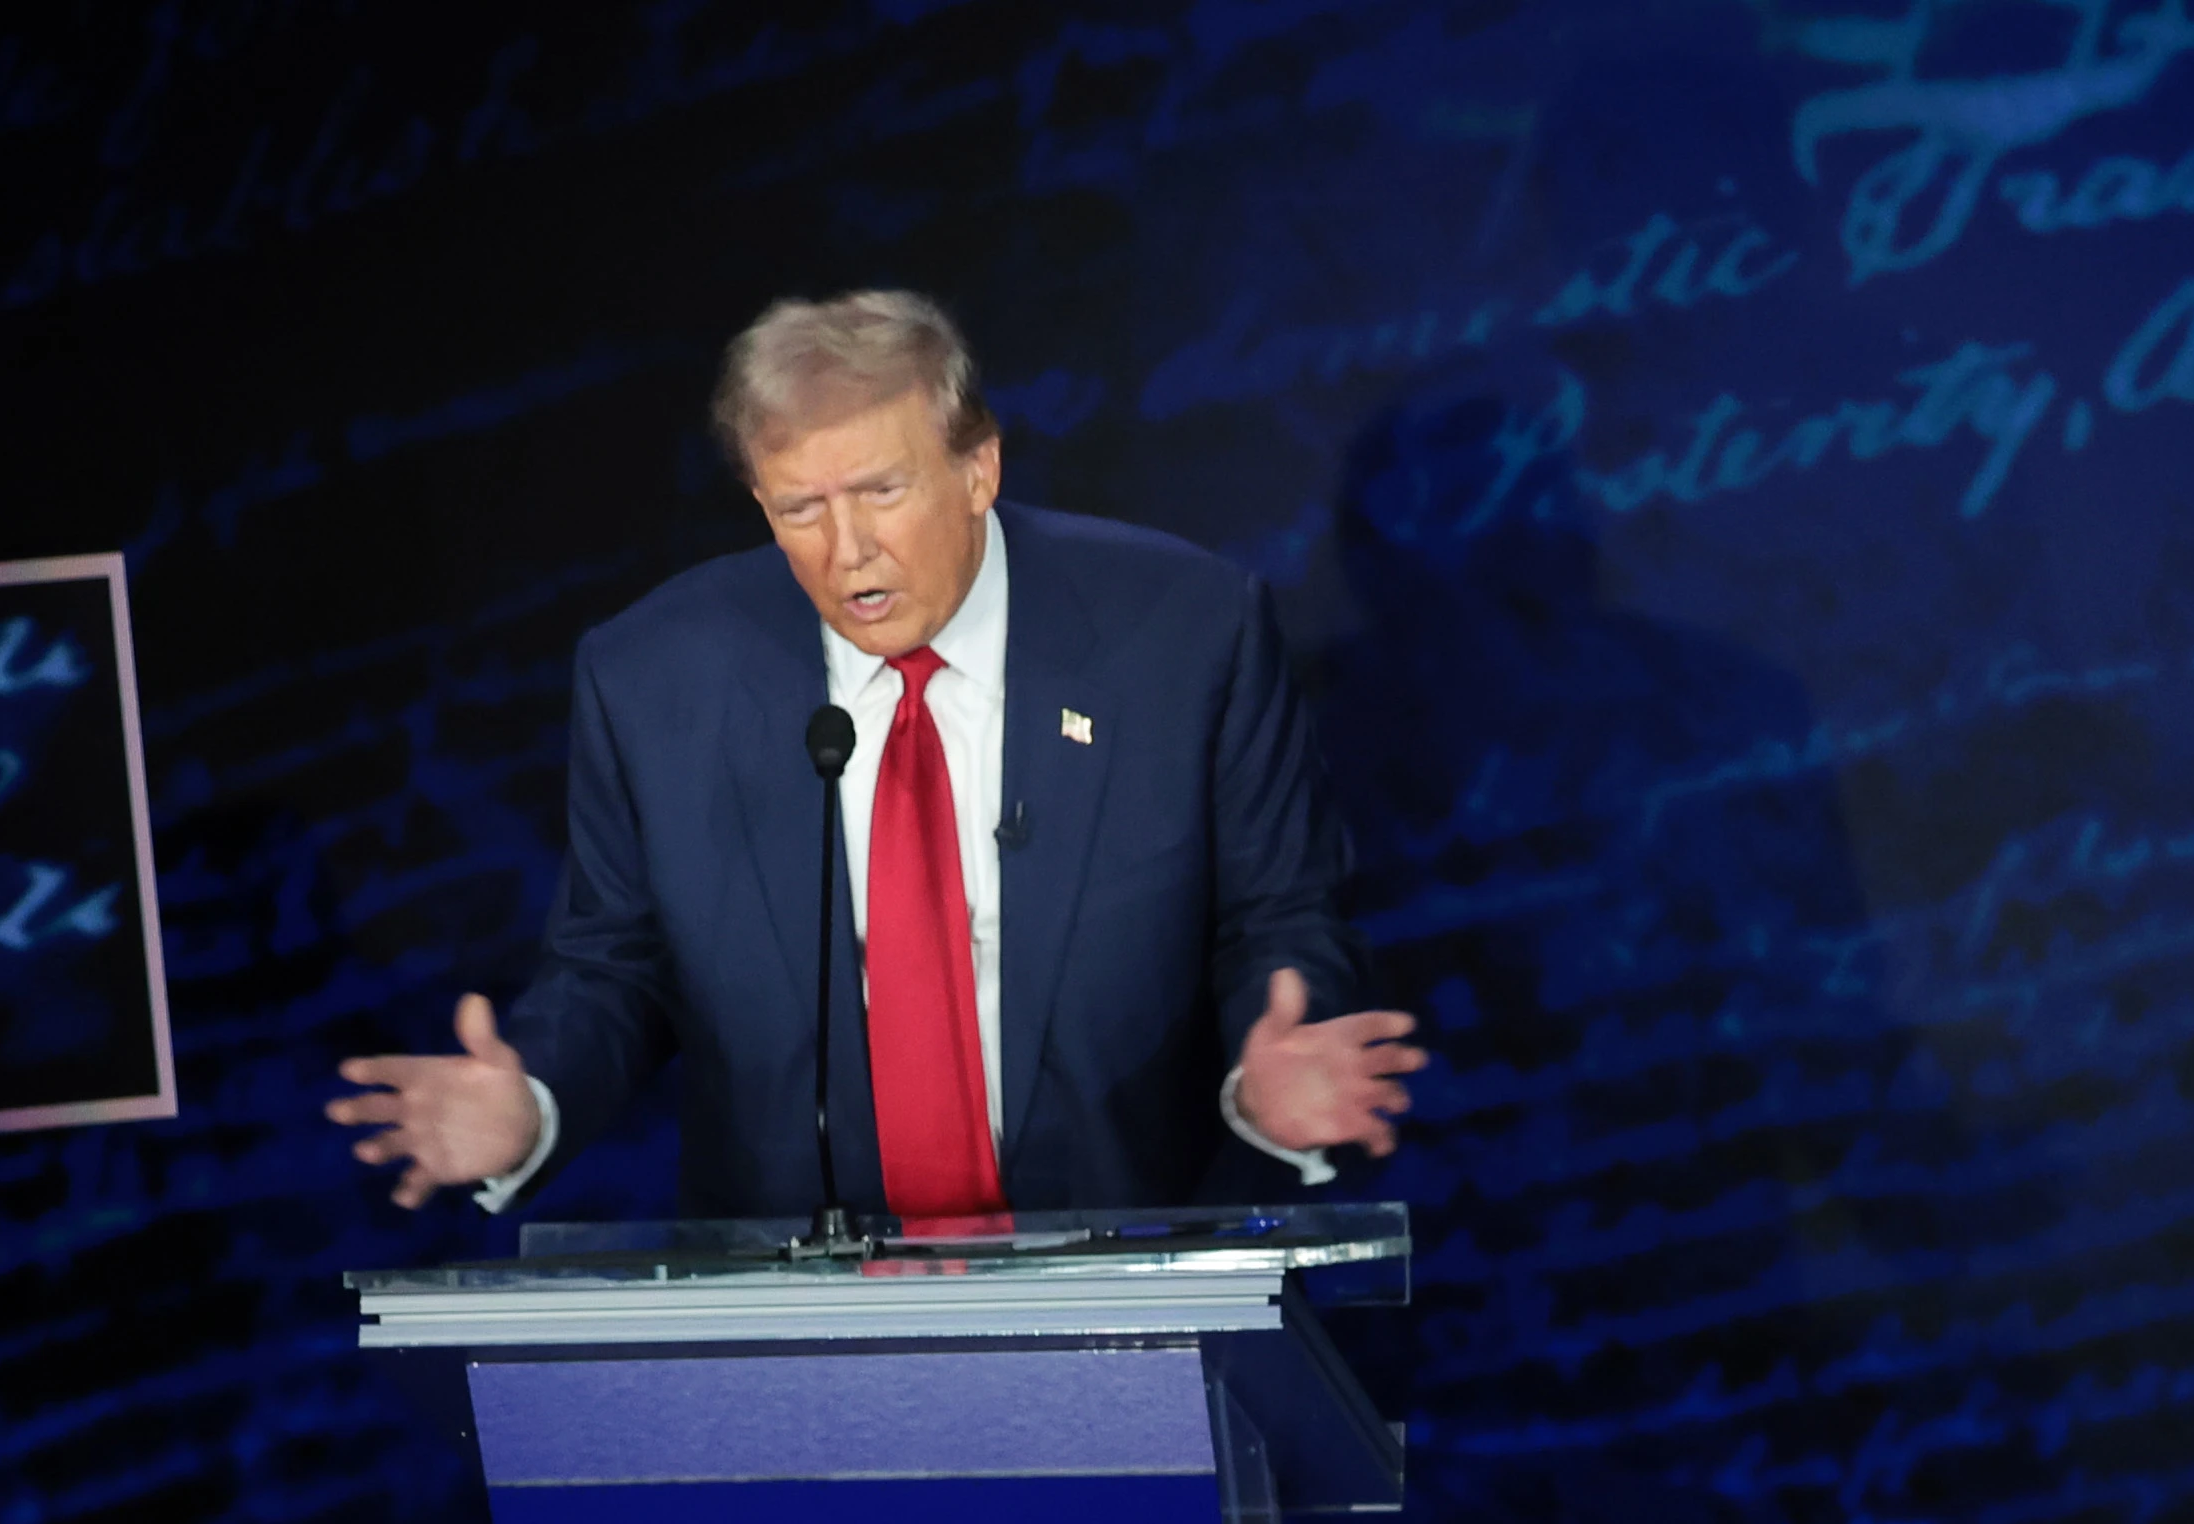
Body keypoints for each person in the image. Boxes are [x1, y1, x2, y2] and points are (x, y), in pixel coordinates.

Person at [329, 289, 1420, 1229]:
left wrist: (1270, 1071)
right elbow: (616, 966)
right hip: (796, 1315)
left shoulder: (1185, 634)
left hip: (1133, 1268)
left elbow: (1277, 918)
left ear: (978, 468)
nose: (846, 552)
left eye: (882, 494)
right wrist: (535, 1100)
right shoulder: (653, 678)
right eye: (799, 508)